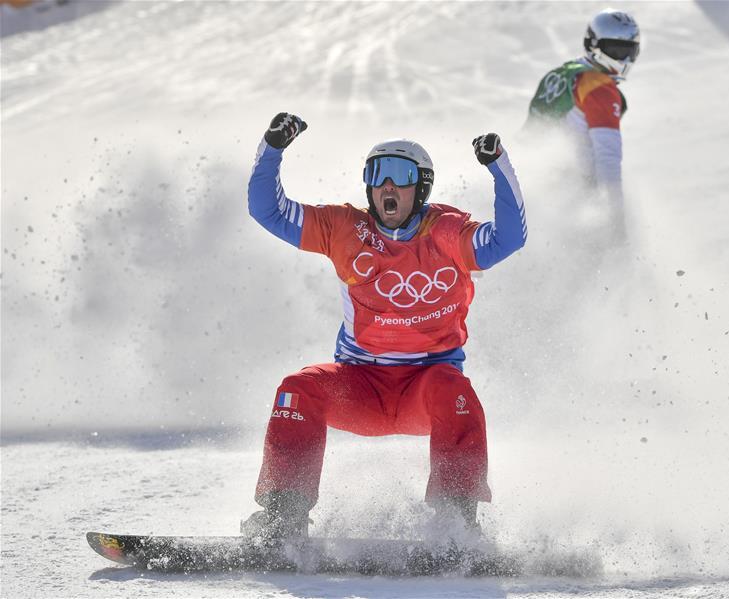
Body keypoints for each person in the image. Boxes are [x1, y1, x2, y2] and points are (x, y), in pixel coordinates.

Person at [240, 113, 527, 540]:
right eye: (377, 174)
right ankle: (283, 519)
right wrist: (273, 146)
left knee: (455, 392)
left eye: (400, 174)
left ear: (422, 186)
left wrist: (499, 165)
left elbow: (509, 238)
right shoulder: (344, 228)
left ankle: (457, 525)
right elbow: (267, 210)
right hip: (360, 383)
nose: (387, 186)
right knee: (297, 388)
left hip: (425, 386)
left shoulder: (447, 233)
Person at [527, 8, 640, 240]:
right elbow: (608, 158)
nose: (625, 59)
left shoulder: (563, 73)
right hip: (575, 193)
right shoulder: (599, 87)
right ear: (593, 44)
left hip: (536, 182)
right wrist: (617, 224)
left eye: (630, 51)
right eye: (617, 50)